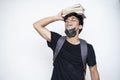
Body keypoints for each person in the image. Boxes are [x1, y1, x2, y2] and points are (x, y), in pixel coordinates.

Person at [33, 11, 100, 80]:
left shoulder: (87, 48)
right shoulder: (57, 41)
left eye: (73, 19)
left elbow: (93, 71)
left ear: (80, 26)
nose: (69, 21)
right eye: (67, 20)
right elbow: (37, 25)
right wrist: (56, 17)